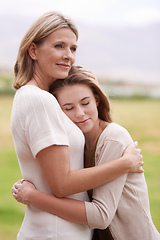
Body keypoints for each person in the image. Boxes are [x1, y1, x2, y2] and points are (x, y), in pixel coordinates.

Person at [11, 11, 143, 240]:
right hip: (56, 232)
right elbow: (61, 184)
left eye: (73, 49)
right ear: (33, 51)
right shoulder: (39, 100)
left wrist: (89, 87)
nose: (68, 56)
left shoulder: (40, 98)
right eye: (59, 46)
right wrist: (124, 163)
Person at [12, 66, 159, 240]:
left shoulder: (113, 138)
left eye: (85, 102)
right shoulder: (76, 144)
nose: (80, 114)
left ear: (96, 100)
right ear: (57, 112)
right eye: (68, 108)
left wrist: (33, 196)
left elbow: (101, 216)